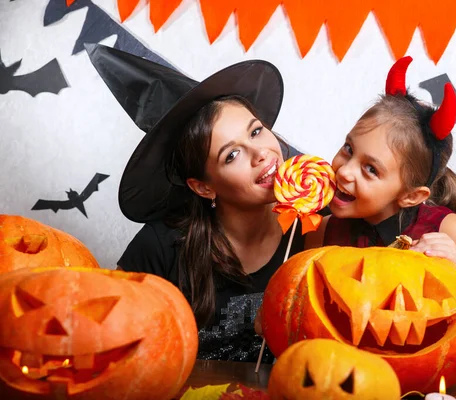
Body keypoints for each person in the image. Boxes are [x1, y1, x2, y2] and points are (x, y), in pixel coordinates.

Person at [87, 44, 304, 363]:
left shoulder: (313, 225)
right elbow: (99, 336)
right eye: (232, 155)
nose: (260, 154)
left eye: (256, 131)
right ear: (203, 187)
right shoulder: (161, 245)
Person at [305, 56, 456, 362]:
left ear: (411, 196)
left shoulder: (447, 230)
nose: (345, 171)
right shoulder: (324, 230)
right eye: (349, 149)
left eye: (370, 170)